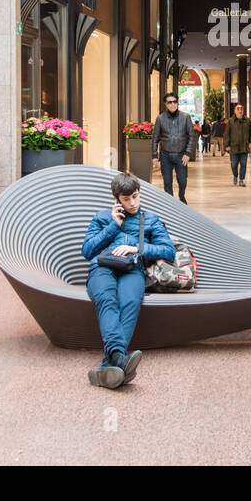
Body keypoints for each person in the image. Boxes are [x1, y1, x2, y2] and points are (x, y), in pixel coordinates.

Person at [80, 171, 177, 388]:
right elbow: (87, 251)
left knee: (130, 303)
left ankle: (109, 364)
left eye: (135, 196)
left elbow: (168, 251)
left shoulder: (149, 219)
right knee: (107, 299)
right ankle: (119, 360)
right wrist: (113, 225)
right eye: (126, 199)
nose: (132, 203)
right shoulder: (102, 217)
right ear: (116, 199)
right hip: (101, 269)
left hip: (133, 269)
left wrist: (136, 248)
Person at [151, 92, 194, 203]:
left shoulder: (185, 117)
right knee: (167, 182)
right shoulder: (160, 118)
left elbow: (191, 137)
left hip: (181, 155)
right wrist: (154, 155)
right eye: (169, 102)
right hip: (166, 155)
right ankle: (171, 204)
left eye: (174, 102)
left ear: (177, 103)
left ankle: (181, 195)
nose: (172, 104)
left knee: (183, 180)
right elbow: (155, 138)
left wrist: (188, 153)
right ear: (165, 104)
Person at [223, 102, 251, 186]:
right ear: (235, 111)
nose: (240, 110)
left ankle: (241, 180)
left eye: (241, 109)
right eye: (238, 109)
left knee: (243, 164)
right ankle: (235, 175)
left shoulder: (248, 121)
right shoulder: (231, 121)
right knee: (234, 164)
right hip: (233, 147)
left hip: (244, 146)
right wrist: (226, 145)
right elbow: (227, 134)